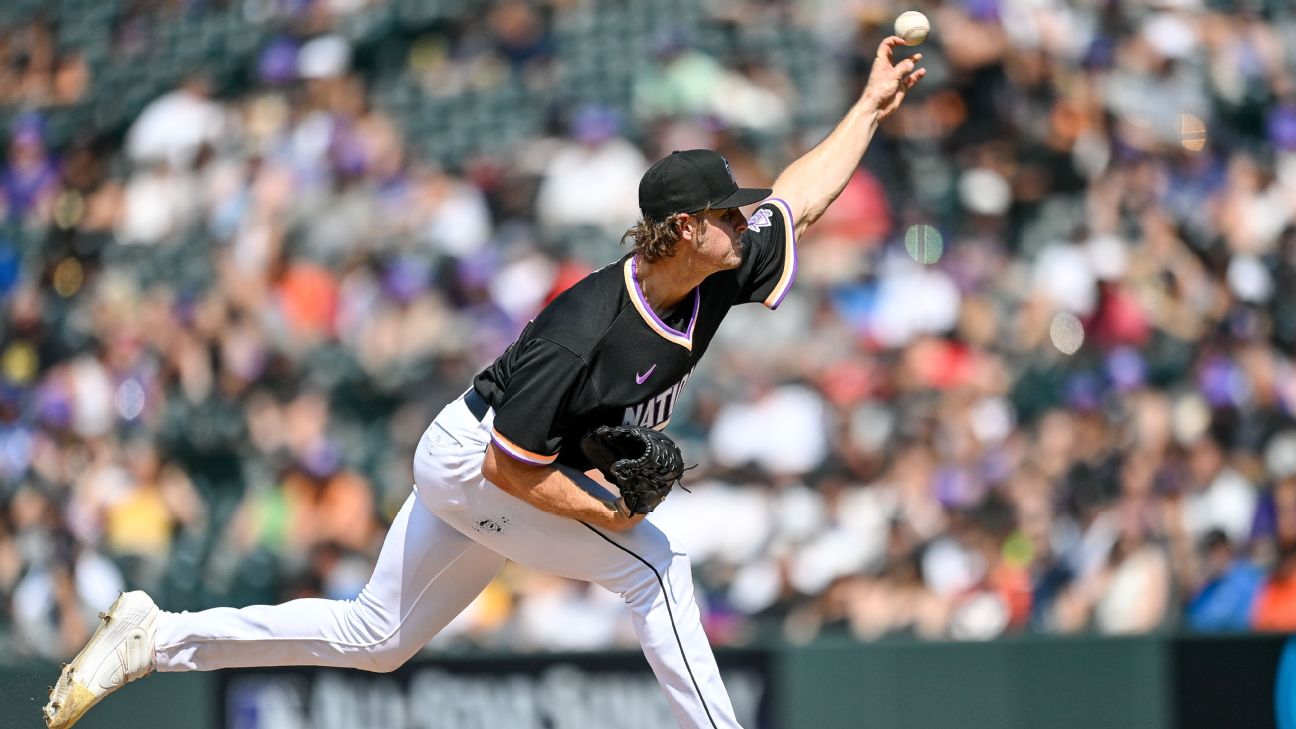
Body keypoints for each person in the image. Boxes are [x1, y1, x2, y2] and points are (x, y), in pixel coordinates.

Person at [43, 37, 925, 729]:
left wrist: (867, 108)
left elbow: (797, 200)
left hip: (500, 461)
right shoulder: (582, 327)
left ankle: (156, 635)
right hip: (480, 462)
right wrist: (606, 511)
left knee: (376, 639)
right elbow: (509, 469)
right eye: (726, 212)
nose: (744, 220)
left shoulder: (720, 265)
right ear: (683, 228)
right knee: (655, 567)